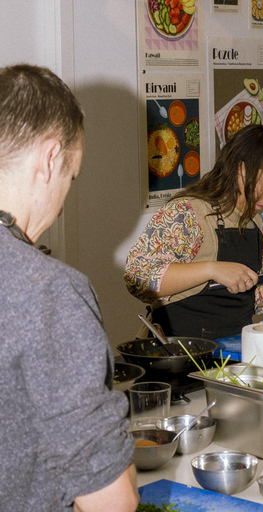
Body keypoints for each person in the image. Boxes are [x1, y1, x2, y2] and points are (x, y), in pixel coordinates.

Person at [0, 65, 138, 511]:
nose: (62, 205)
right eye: (71, 178)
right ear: (49, 158)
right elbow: (110, 501)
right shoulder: (46, 290)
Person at [125, 124, 263, 340]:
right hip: (179, 355)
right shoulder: (187, 213)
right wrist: (211, 269)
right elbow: (138, 278)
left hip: (231, 355)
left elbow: (251, 295)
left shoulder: (256, 225)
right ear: (242, 170)